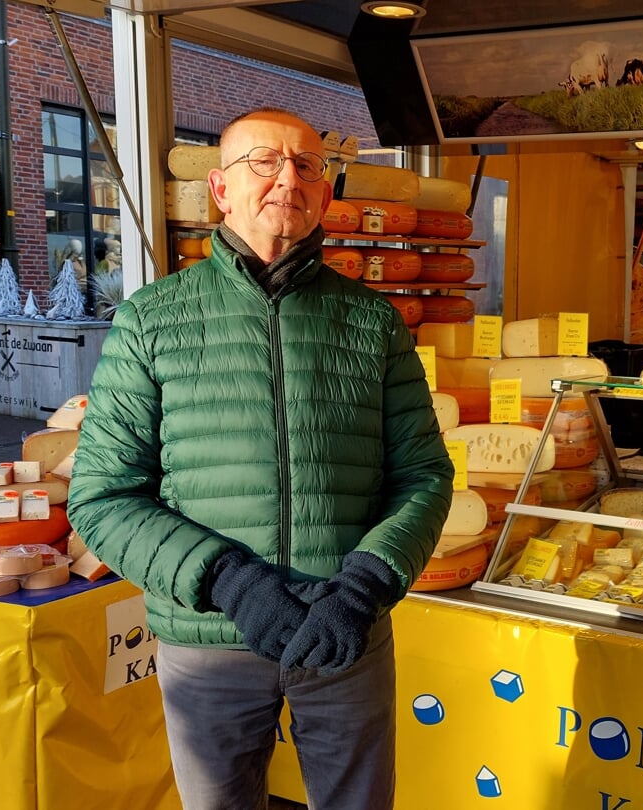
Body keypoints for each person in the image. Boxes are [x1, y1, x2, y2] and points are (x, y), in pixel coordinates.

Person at [67, 107, 454, 810]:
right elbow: (102, 497)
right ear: (220, 190)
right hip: (208, 638)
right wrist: (230, 583)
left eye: (307, 165)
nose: (288, 178)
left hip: (346, 635)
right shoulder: (152, 320)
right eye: (264, 162)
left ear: (326, 193)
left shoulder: (373, 322)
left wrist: (365, 585)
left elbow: (423, 476)